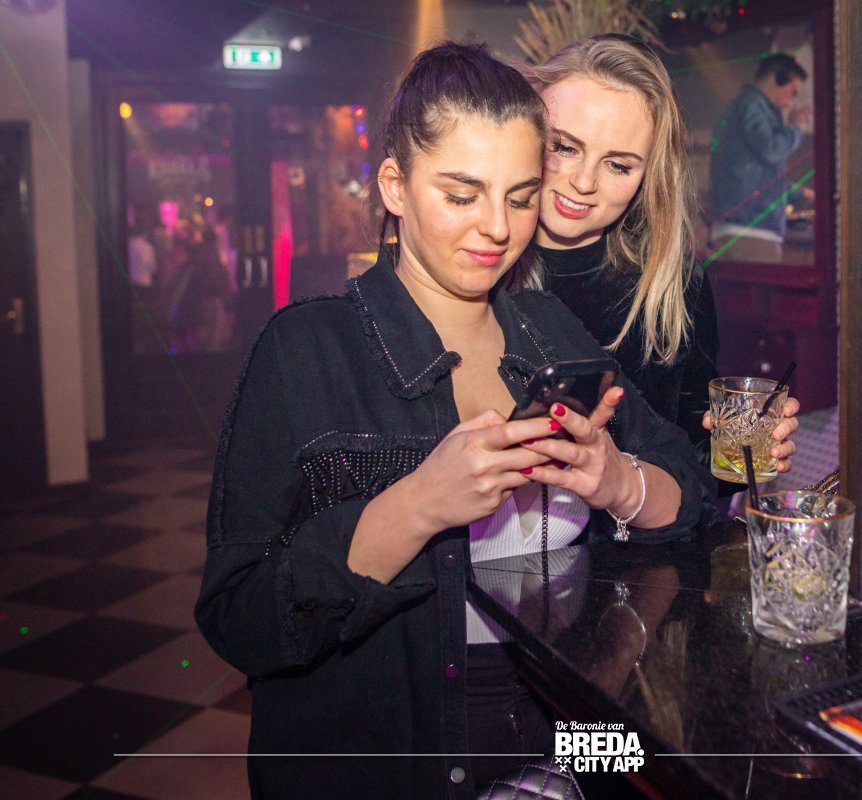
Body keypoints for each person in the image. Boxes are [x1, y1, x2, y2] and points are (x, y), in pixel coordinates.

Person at [195, 42, 712, 799]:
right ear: (396, 187)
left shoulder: (550, 331)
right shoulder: (306, 349)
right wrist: (416, 506)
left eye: (521, 197)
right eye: (462, 195)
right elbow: (240, 619)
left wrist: (618, 482)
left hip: (563, 751)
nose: (496, 228)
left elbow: (688, 493)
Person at [521, 35, 799, 487]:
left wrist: (742, 454)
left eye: (618, 165)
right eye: (564, 147)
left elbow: (696, 467)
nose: (584, 182)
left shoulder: (673, 287)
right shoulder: (477, 271)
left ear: (649, 176)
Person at [707, 52, 808, 264]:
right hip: (749, 230)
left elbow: (763, 180)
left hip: (746, 229)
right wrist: (796, 128)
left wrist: (805, 194)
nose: (793, 99)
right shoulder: (751, 105)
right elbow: (770, 150)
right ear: (777, 78)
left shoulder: (748, 107)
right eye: (793, 90)